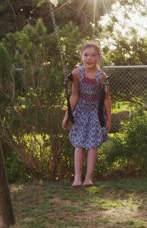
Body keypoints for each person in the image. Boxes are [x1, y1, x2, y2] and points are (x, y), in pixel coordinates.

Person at [62, 42, 111, 187]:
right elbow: (74, 96)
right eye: (86, 55)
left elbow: (107, 99)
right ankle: (77, 178)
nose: (89, 58)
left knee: (92, 145)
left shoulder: (102, 77)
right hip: (81, 112)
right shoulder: (77, 73)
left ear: (99, 58)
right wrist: (67, 116)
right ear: (81, 57)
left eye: (93, 55)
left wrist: (109, 118)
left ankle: (88, 178)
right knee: (79, 144)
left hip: (96, 113)